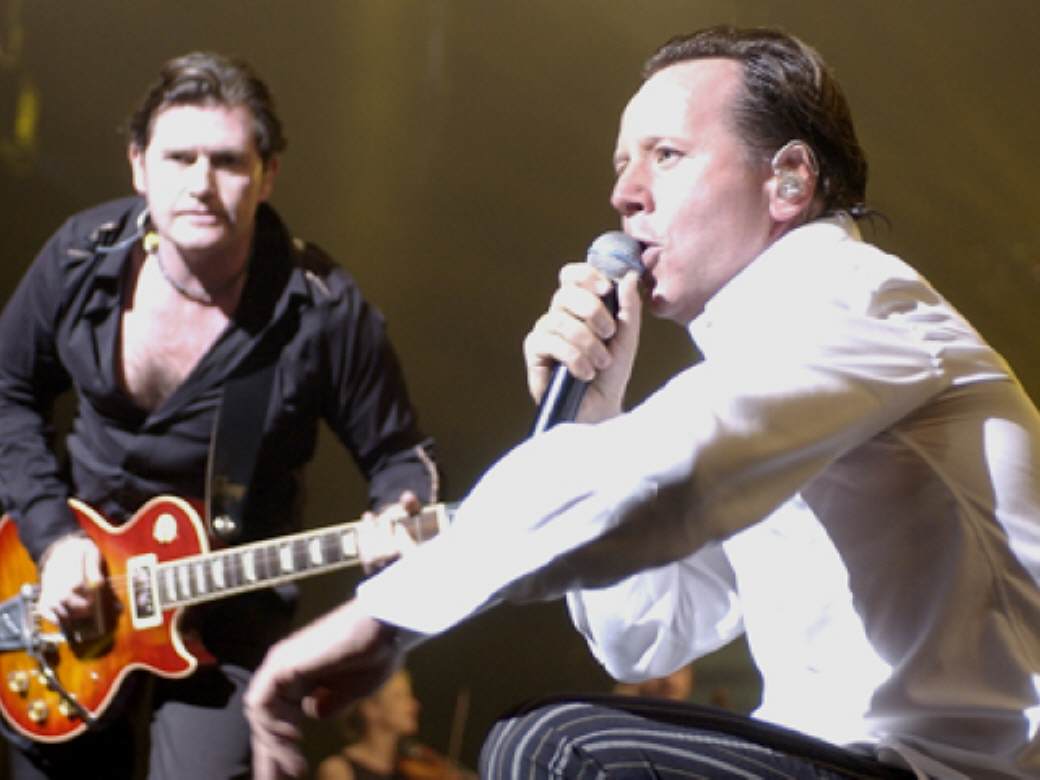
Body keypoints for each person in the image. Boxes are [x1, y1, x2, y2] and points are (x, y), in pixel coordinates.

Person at [244, 25, 1040, 779]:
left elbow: (670, 471)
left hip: (956, 768)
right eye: (623, 164)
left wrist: (387, 615)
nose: (625, 193)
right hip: (837, 756)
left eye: (667, 155)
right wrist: (596, 414)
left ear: (789, 180)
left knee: (559, 747)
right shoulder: (772, 372)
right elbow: (648, 636)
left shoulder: (854, 297)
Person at [0, 51, 438, 779]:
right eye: (180, 158)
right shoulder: (80, 256)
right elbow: (8, 387)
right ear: (139, 166)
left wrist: (401, 510)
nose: (201, 184)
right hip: (69, 595)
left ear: (268, 175)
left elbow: (399, 455)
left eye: (228, 161)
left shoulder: (322, 312)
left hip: (224, 608)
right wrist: (51, 538)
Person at [316, 668, 475, 780]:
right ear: (370, 708)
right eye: (400, 696)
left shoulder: (410, 768)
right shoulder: (338, 770)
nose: (414, 705)